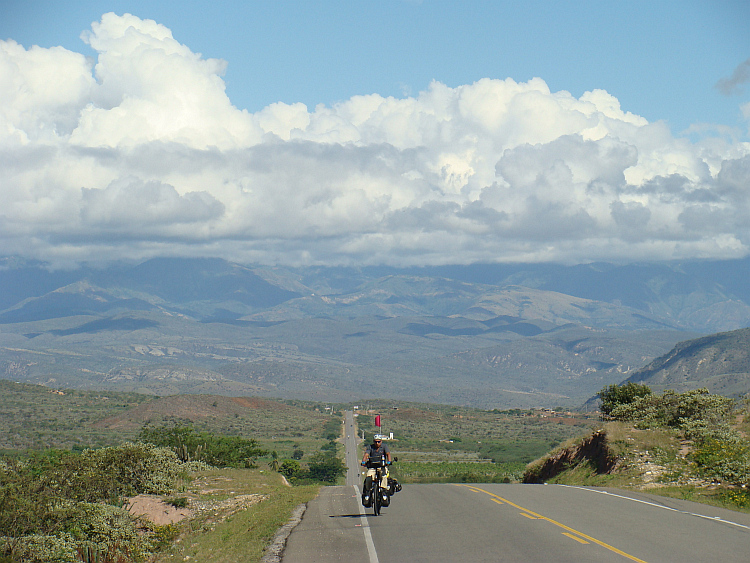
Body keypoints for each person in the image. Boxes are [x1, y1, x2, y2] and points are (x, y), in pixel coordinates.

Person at [361, 434, 392, 506]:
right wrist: (363, 461)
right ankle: (368, 492)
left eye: (379, 441)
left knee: (384, 476)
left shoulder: (384, 446)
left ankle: (383, 491)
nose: (377, 443)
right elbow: (366, 455)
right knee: (369, 476)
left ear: (381, 441)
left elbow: (388, 454)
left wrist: (389, 461)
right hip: (372, 467)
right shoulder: (370, 447)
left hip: (382, 466)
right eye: (376, 442)